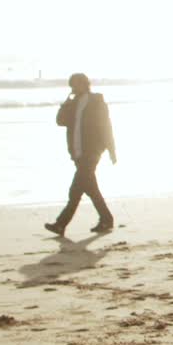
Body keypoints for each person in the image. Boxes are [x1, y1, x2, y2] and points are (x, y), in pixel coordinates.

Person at [44, 73, 117, 236]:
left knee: (75, 190)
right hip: (78, 153)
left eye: (76, 85)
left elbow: (106, 127)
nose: (73, 88)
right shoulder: (73, 103)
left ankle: (60, 224)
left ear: (85, 84)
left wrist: (112, 150)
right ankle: (106, 219)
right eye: (72, 86)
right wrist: (66, 104)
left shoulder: (96, 101)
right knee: (91, 189)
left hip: (91, 152)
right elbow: (60, 121)